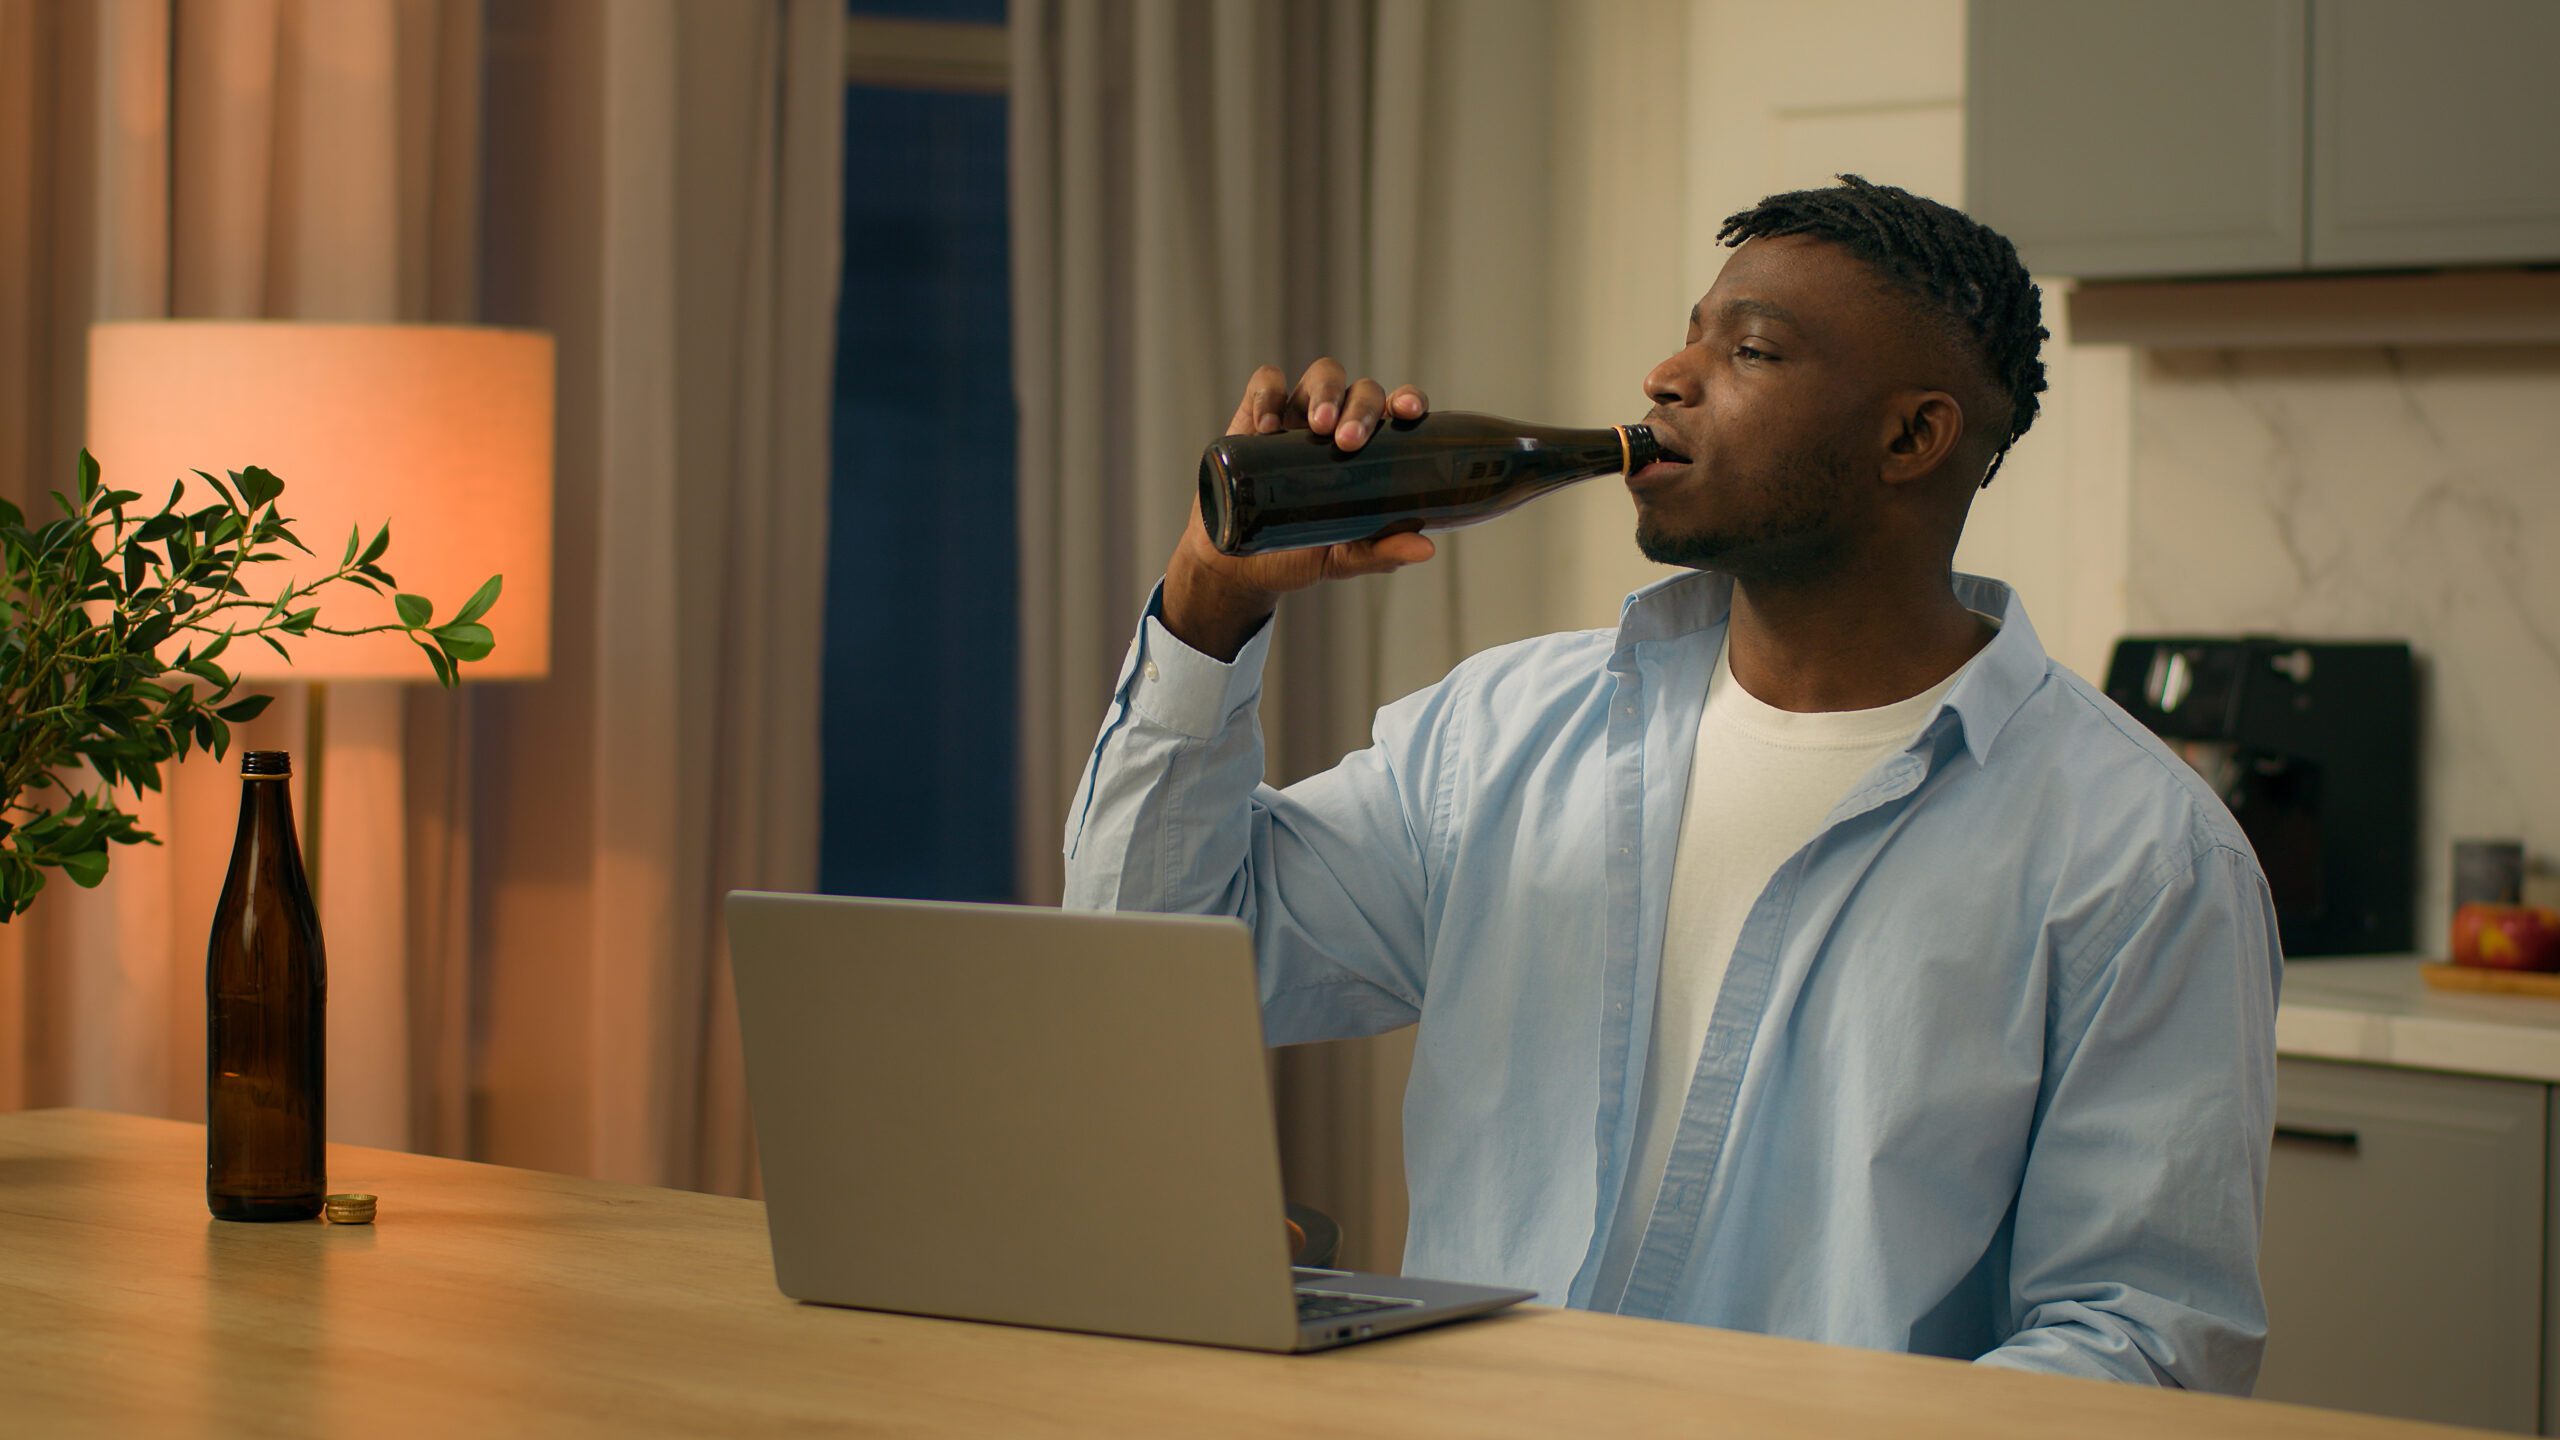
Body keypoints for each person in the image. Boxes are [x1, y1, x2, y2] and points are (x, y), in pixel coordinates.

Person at [1063, 175, 2281, 1393]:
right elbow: (1149, 958)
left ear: (1910, 438)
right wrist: (1211, 595)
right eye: (1690, 333)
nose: (1664, 376)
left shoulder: (2137, 855)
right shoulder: (1500, 734)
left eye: (1749, 350)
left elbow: (2137, 1342)